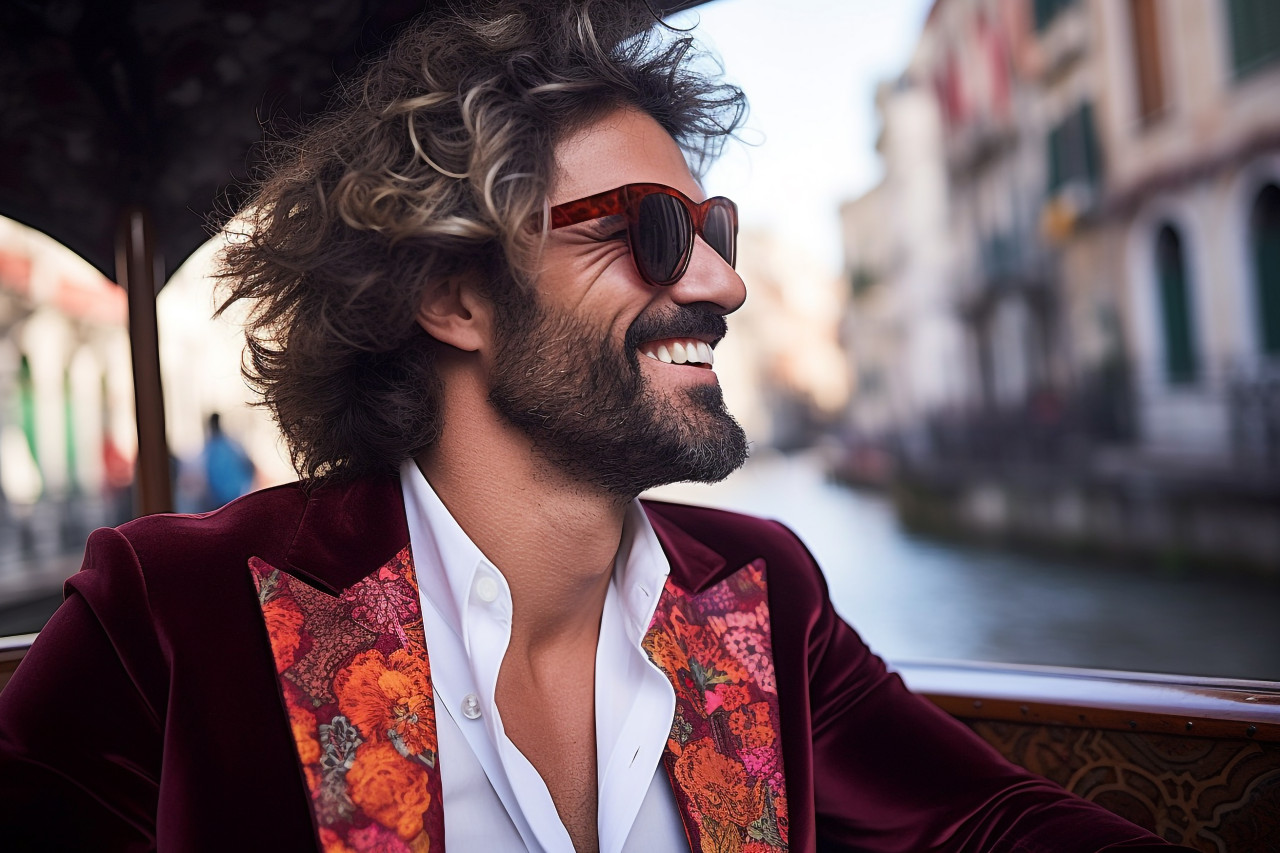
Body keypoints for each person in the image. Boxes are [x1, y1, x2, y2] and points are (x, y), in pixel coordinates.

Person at [0, 3, 1194, 851]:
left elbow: (983, 821)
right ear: (451, 295)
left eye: (712, 228)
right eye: (651, 234)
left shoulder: (755, 589)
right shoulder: (170, 610)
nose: (722, 285)